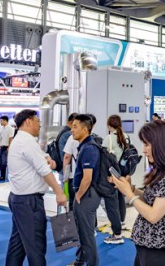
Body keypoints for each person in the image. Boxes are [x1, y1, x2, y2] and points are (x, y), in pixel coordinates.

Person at [111, 121, 165, 266]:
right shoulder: (160, 169)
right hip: (146, 241)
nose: (144, 150)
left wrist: (130, 195)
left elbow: (153, 215)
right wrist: (131, 189)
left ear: (160, 144)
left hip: (159, 245)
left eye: (147, 144)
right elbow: (151, 198)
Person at [5, 109, 66, 266]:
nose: (40, 125)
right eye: (37, 121)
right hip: (29, 202)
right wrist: (59, 192)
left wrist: (48, 158)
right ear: (28, 121)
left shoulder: (22, 140)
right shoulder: (27, 141)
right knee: (36, 247)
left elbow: (41, 159)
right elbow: (44, 170)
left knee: (18, 245)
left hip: (19, 199)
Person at [70, 114, 101, 266]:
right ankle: (80, 260)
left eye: (75, 127)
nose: (72, 130)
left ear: (84, 129)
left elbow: (87, 178)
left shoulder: (89, 148)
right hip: (86, 195)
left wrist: (78, 196)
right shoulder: (85, 146)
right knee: (82, 232)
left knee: (87, 235)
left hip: (87, 195)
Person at [102, 115, 130, 245]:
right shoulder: (126, 137)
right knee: (120, 197)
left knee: (112, 202)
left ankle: (117, 232)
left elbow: (104, 158)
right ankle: (122, 222)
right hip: (123, 172)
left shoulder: (108, 138)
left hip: (112, 173)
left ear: (109, 126)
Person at [0, 115, 14, 181]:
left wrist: (9, 147)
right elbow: (0, 139)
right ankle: (2, 176)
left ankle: (6, 176)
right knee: (0, 163)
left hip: (6, 147)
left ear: (5, 121)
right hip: (1, 147)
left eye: (1, 121)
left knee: (4, 163)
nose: (0, 122)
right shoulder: (2, 128)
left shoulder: (10, 128)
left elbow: (10, 138)